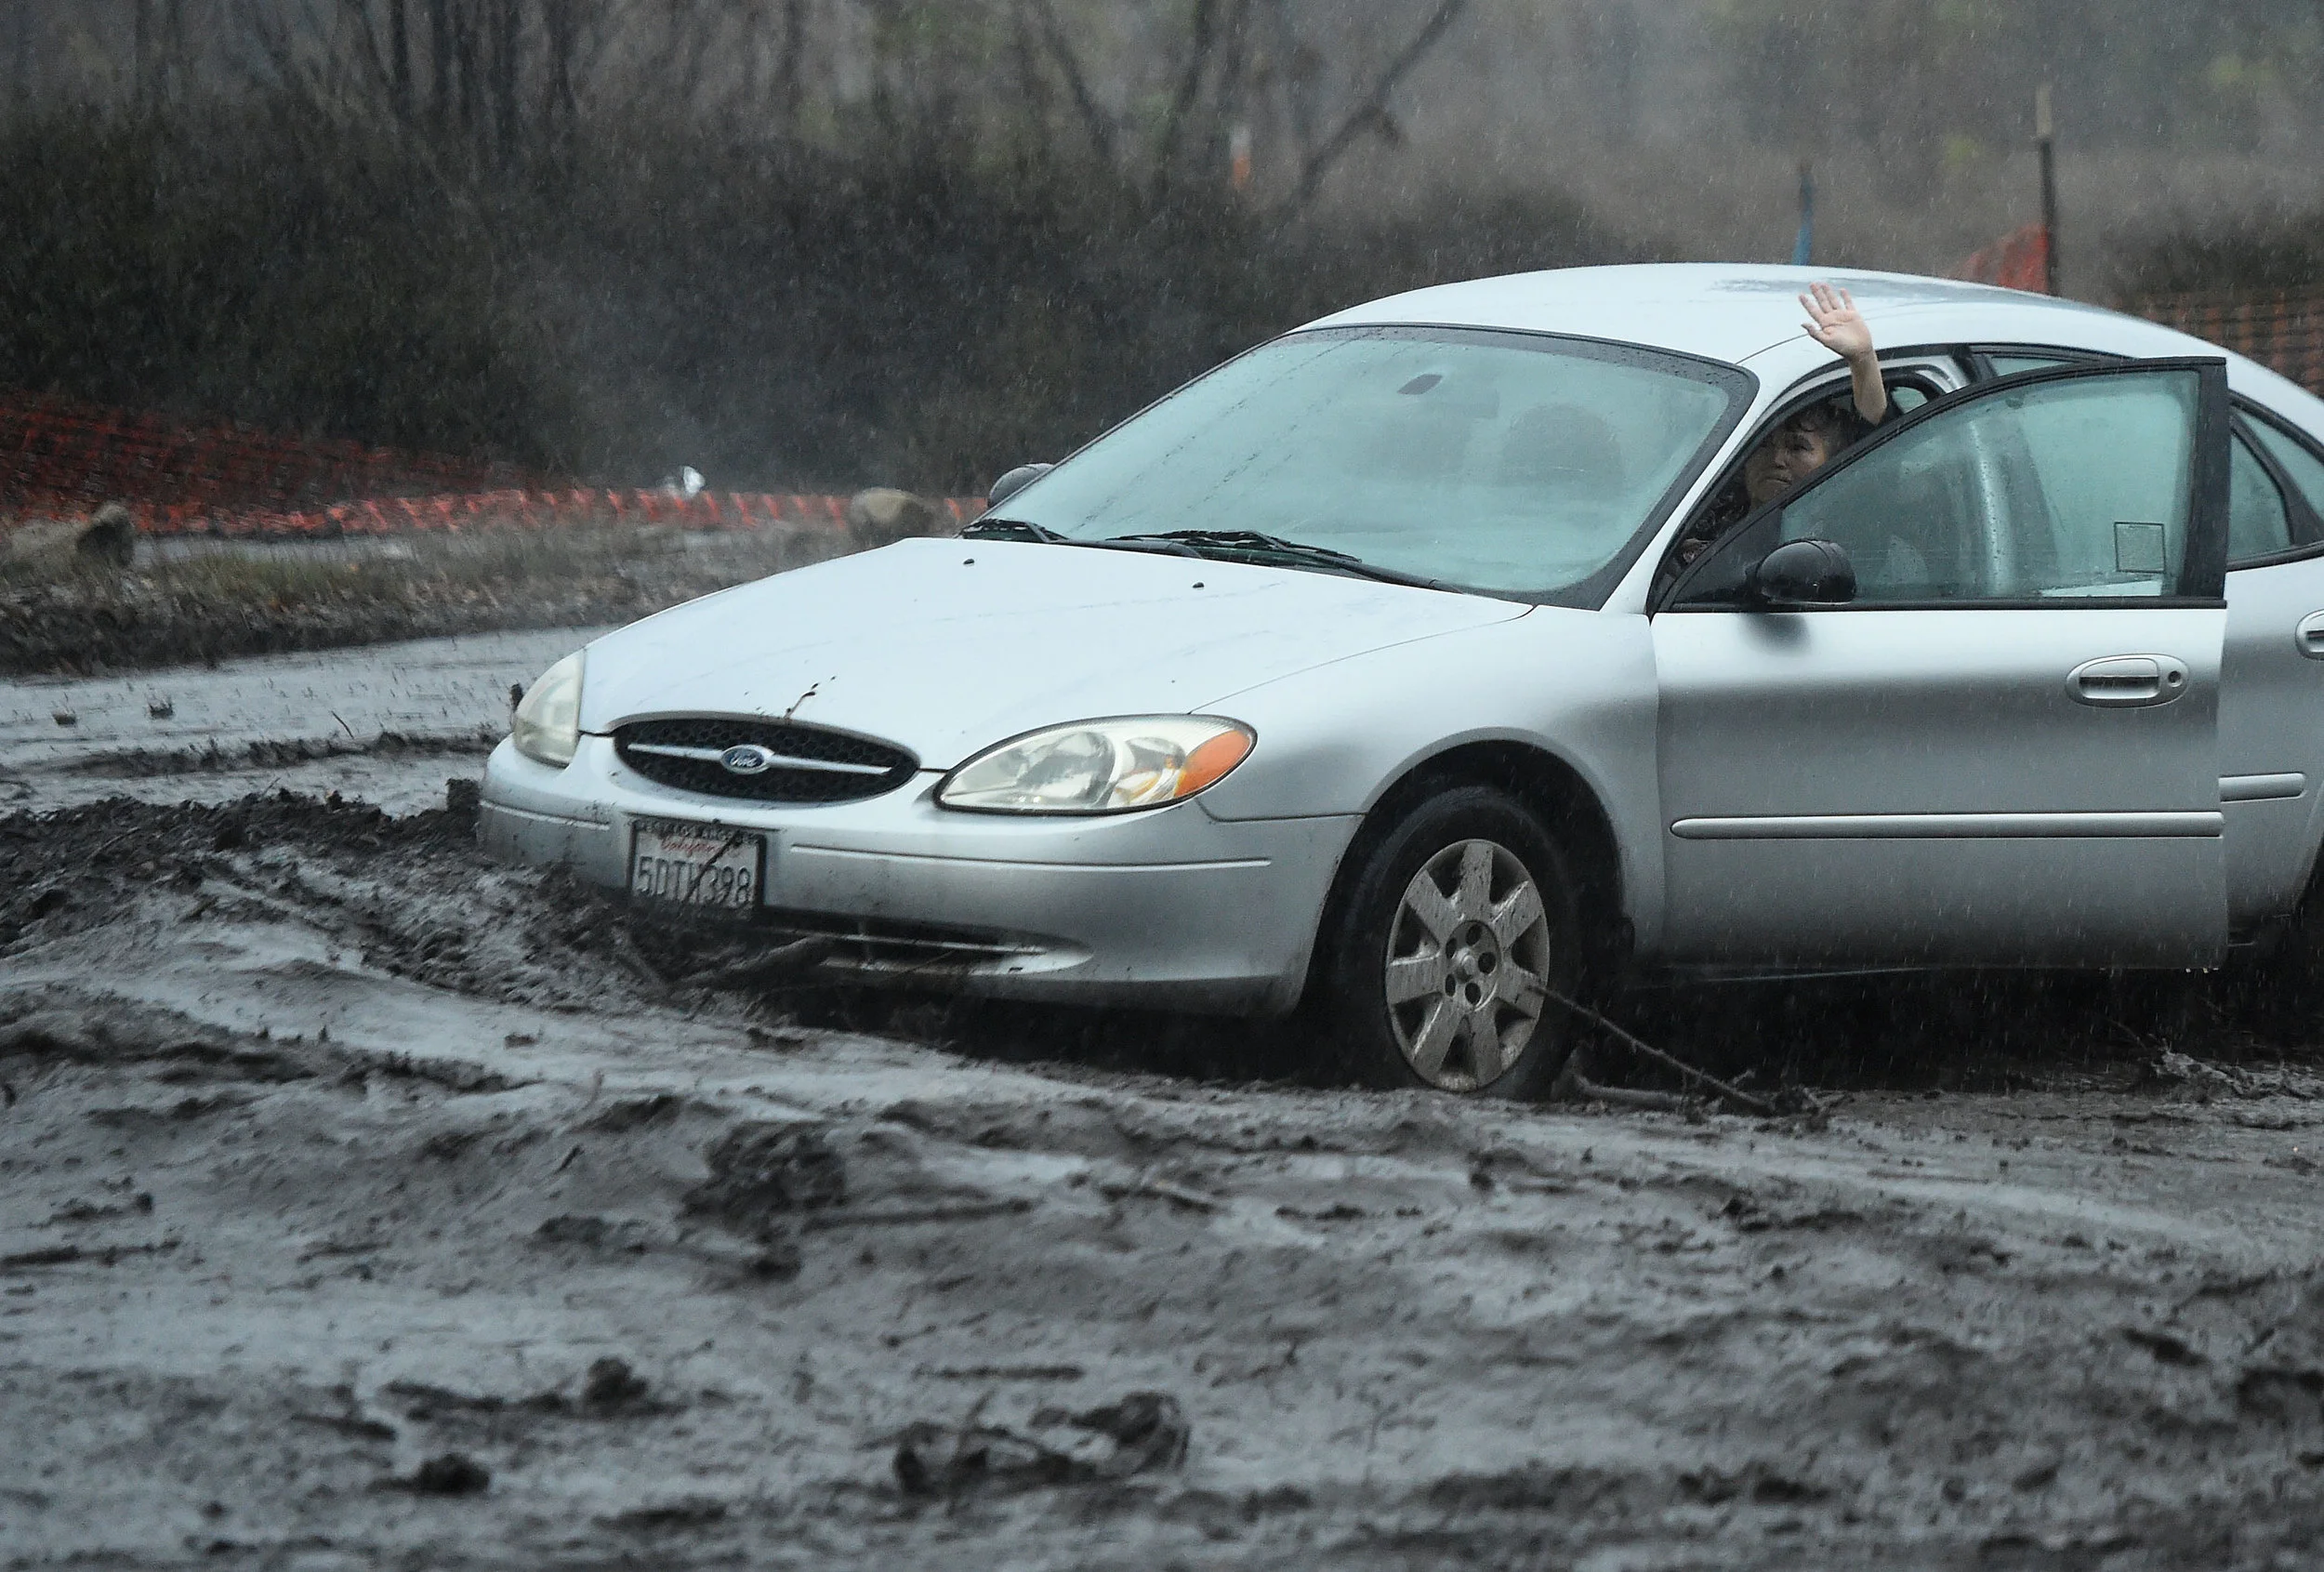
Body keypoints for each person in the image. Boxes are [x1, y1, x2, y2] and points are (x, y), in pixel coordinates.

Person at [1670, 283, 1891, 568]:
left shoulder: (1846, 541)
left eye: (1797, 447)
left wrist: (1863, 361)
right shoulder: (1701, 521)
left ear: (1834, 461)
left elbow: (1872, 435)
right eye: (1762, 445)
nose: (1777, 459)